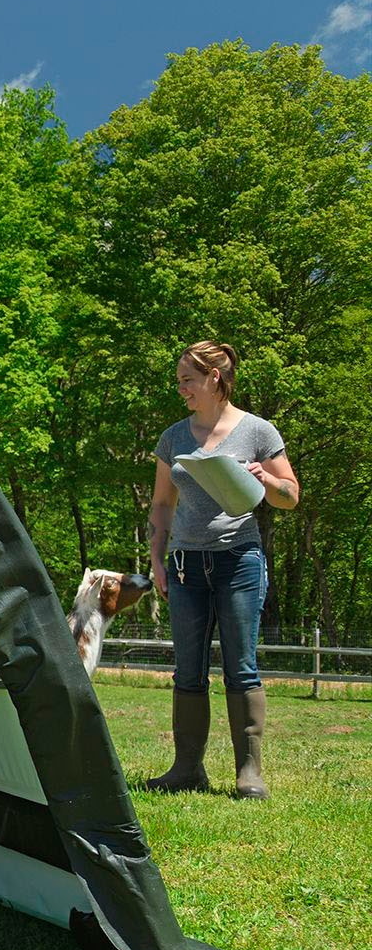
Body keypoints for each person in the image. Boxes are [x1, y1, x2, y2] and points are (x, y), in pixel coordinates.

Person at [143, 341, 300, 799]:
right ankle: (187, 768)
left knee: (241, 666)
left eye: (187, 380)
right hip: (187, 566)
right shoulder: (174, 438)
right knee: (187, 670)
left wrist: (267, 480)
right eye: (179, 381)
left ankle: (248, 772)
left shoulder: (258, 431)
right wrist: (157, 559)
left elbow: (290, 496)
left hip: (239, 561)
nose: (181, 389)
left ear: (214, 378)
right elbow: (161, 503)